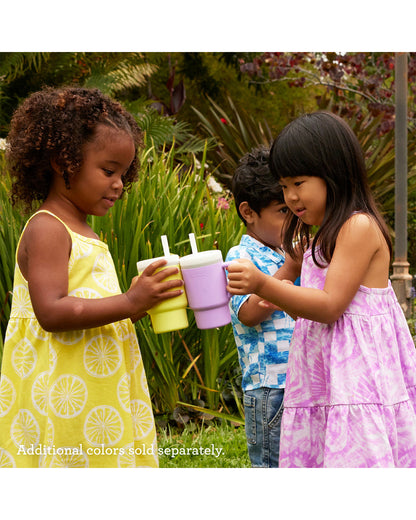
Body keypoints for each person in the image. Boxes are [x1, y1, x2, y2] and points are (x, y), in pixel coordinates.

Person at [0, 86, 184, 468]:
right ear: (60, 159)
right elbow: (51, 312)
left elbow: (92, 305)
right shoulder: (48, 228)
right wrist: (130, 302)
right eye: (108, 170)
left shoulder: (87, 233)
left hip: (97, 386)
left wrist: (138, 304)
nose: (118, 184)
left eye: (123, 173)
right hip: (65, 389)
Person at [226, 111, 416, 468]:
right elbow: (309, 310)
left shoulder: (357, 227)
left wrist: (264, 282)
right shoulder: (320, 237)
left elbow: (330, 307)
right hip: (326, 374)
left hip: (356, 378)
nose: (291, 196)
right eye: (284, 186)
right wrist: (286, 277)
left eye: (299, 182)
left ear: (334, 172)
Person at [225, 146, 300, 467]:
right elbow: (248, 313)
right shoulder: (240, 259)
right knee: (273, 465)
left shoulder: (294, 253)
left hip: (302, 380)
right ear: (248, 212)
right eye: (283, 211)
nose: (293, 218)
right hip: (270, 388)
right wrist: (289, 270)